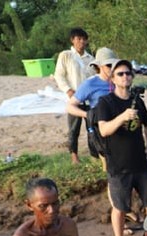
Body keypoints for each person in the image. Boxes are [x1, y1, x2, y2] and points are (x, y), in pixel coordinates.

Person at [97, 59, 147, 236]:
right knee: (120, 207)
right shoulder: (105, 102)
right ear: (113, 79)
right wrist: (122, 117)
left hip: (141, 163)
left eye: (128, 73)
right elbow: (104, 130)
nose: (126, 76)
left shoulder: (137, 101)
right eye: (121, 74)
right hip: (118, 165)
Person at [66, 47, 118, 168]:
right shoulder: (90, 84)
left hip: (118, 122)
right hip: (101, 125)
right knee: (108, 163)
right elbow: (70, 106)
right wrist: (88, 115)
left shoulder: (119, 79)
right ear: (99, 66)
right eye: (108, 65)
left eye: (114, 65)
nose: (112, 68)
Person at [54, 27, 94, 164]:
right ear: (73, 40)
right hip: (74, 98)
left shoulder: (90, 58)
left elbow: (94, 78)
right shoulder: (66, 55)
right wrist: (68, 90)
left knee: (92, 128)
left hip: (89, 99)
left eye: (84, 39)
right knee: (73, 129)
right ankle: (74, 156)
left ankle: (94, 154)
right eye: (78, 39)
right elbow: (59, 75)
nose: (81, 42)